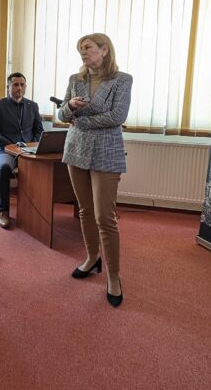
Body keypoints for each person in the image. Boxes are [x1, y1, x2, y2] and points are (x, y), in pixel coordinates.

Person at [57, 33, 133, 308]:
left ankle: (113, 276)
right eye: (80, 49)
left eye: (87, 48)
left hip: (106, 151)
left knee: (105, 217)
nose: (83, 53)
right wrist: (69, 107)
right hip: (76, 150)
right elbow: (61, 116)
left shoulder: (122, 80)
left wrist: (82, 121)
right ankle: (92, 258)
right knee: (85, 210)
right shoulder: (75, 79)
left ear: (104, 50)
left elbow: (117, 117)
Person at [0, 72, 43, 229]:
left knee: (44, 169)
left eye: (22, 85)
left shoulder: (33, 106)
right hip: (5, 150)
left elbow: (39, 130)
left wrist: (32, 145)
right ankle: (3, 211)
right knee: (4, 168)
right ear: (8, 87)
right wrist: (12, 146)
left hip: (28, 150)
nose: (19, 88)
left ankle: (35, 210)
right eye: (15, 85)